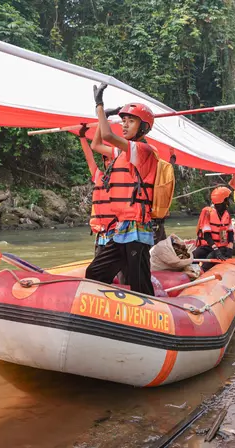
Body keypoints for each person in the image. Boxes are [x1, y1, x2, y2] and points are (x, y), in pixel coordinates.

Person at [84, 83, 158, 295]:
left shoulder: (142, 150)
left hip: (138, 229)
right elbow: (96, 145)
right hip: (122, 229)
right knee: (95, 272)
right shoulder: (122, 153)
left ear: (143, 127)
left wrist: (99, 106)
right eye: (123, 121)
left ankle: (149, 318)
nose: (124, 125)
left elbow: (108, 137)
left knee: (139, 281)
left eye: (130, 121)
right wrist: (103, 119)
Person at [78, 125, 118, 257]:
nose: (108, 162)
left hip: (117, 233)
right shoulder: (99, 176)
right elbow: (89, 157)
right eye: (106, 159)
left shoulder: (124, 178)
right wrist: (82, 137)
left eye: (111, 159)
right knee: (97, 269)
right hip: (101, 234)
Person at [193, 187, 234, 272]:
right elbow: (207, 236)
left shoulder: (227, 215)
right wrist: (216, 250)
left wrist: (230, 248)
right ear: (222, 200)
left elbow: (230, 234)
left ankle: (204, 272)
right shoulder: (208, 213)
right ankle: (193, 274)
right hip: (209, 245)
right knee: (194, 255)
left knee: (209, 259)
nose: (229, 202)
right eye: (227, 199)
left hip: (222, 247)